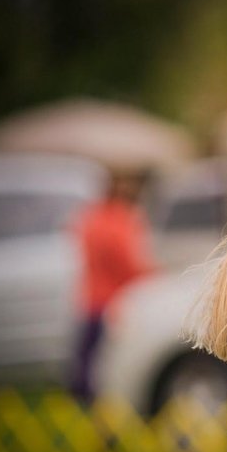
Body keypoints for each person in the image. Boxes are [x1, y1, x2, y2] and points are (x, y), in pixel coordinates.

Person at [70, 168, 154, 402]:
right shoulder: (121, 220)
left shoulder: (90, 217)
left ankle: (81, 397)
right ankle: (101, 402)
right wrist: (154, 274)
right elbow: (128, 262)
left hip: (91, 298)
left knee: (86, 357)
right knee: (109, 361)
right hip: (115, 301)